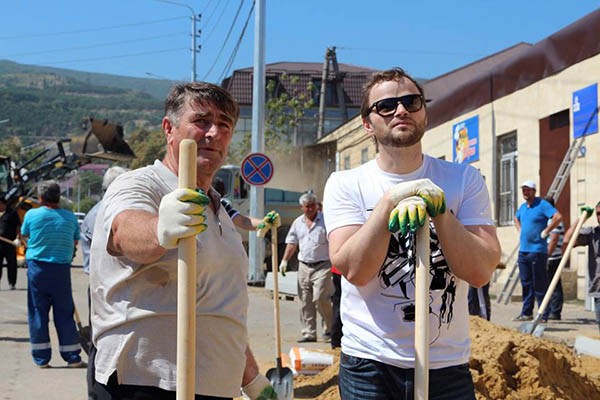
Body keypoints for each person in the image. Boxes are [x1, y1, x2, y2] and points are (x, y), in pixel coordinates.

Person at [89, 82, 276, 399]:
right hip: (144, 384)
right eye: (201, 121)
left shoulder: (217, 208)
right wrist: (161, 228)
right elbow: (124, 230)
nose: (213, 133)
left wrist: (252, 379)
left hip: (213, 386)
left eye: (224, 124)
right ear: (169, 129)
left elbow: (217, 306)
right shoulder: (140, 184)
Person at [323, 67, 501, 399]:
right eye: (386, 106)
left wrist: (442, 213)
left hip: (446, 365)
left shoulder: (464, 180)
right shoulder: (346, 184)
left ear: (424, 113)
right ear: (367, 124)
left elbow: (479, 271)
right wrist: (389, 203)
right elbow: (356, 270)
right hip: (370, 363)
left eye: (411, 101)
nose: (401, 110)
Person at [20, 183, 84, 368]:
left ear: (41, 198)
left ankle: (41, 358)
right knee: (64, 312)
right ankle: (72, 356)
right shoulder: (70, 217)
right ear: (59, 197)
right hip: (61, 270)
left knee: (38, 312)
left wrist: (31, 244)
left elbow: (25, 236)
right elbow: (74, 241)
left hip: (37, 269)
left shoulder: (32, 215)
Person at [80, 166, 130, 400]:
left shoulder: (93, 212)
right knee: (105, 342)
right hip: (111, 287)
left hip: (102, 286)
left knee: (103, 341)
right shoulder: (112, 213)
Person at [279, 191, 333, 343]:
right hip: (304, 265)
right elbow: (292, 243)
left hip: (323, 265)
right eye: (307, 206)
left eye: (312, 206)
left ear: (316, 206)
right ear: (301, 207)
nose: (310, 209)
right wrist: (284, 260)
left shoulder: (325, 221)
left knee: (321, 298)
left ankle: (328, 328)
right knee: (305, 300)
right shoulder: (298, 223)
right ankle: (309, 332)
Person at [513, 180, 562, 322]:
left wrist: (547, 230)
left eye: (528, 190)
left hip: (537, 251)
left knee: (540, 284)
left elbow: (558, 217)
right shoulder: (523, 207)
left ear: (534, 191)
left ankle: (543, 314)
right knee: (526, 283)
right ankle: (527, 312)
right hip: (523, 251)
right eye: (523, 190)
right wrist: (520, 230)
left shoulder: (542, 205)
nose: (525, 192)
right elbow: (516, 218)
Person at [564, 202, 600, 332]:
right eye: (598, 214)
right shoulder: (592, 233)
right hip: (598, 289)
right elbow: (567, 240)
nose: (599, 217)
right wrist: (581, 219)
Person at [544, 196, 566, 320]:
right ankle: (551, 310)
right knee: (549, 284)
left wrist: (547, 256)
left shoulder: (555, 219)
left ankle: (555, 312)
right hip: (551, 256)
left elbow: (554, 239)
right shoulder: (549, 219)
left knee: (554, 285)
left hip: (553, 257)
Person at [0, 198, 21, 290]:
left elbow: (18, 227)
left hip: (10, 243)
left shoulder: (12, 213)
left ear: (3, 204)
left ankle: (12, 283)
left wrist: (18, 238)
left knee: (12, 264)